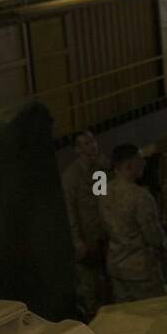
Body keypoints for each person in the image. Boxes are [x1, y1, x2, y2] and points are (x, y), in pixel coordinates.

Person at [100, 143, 167, 302]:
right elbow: (152, 234)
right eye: (140, 159)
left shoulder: (104, 190)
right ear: (129, 165)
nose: (144, 163)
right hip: (140, 268)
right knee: (153, 312)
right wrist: (165, 245)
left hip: (116, 264)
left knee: (125, 315)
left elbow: (103, 223)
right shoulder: (141, 197)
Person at [60, 130, 109, 318]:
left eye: (93, 141)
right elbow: (69, 210)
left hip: (101, 235)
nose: (92, 146)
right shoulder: (72, 176)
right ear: (77, 149)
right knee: (89, 287)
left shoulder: (99, 170)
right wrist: (77, 241)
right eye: (86, 144)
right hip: (85, 238)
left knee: (105, 283)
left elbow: (102, 199)